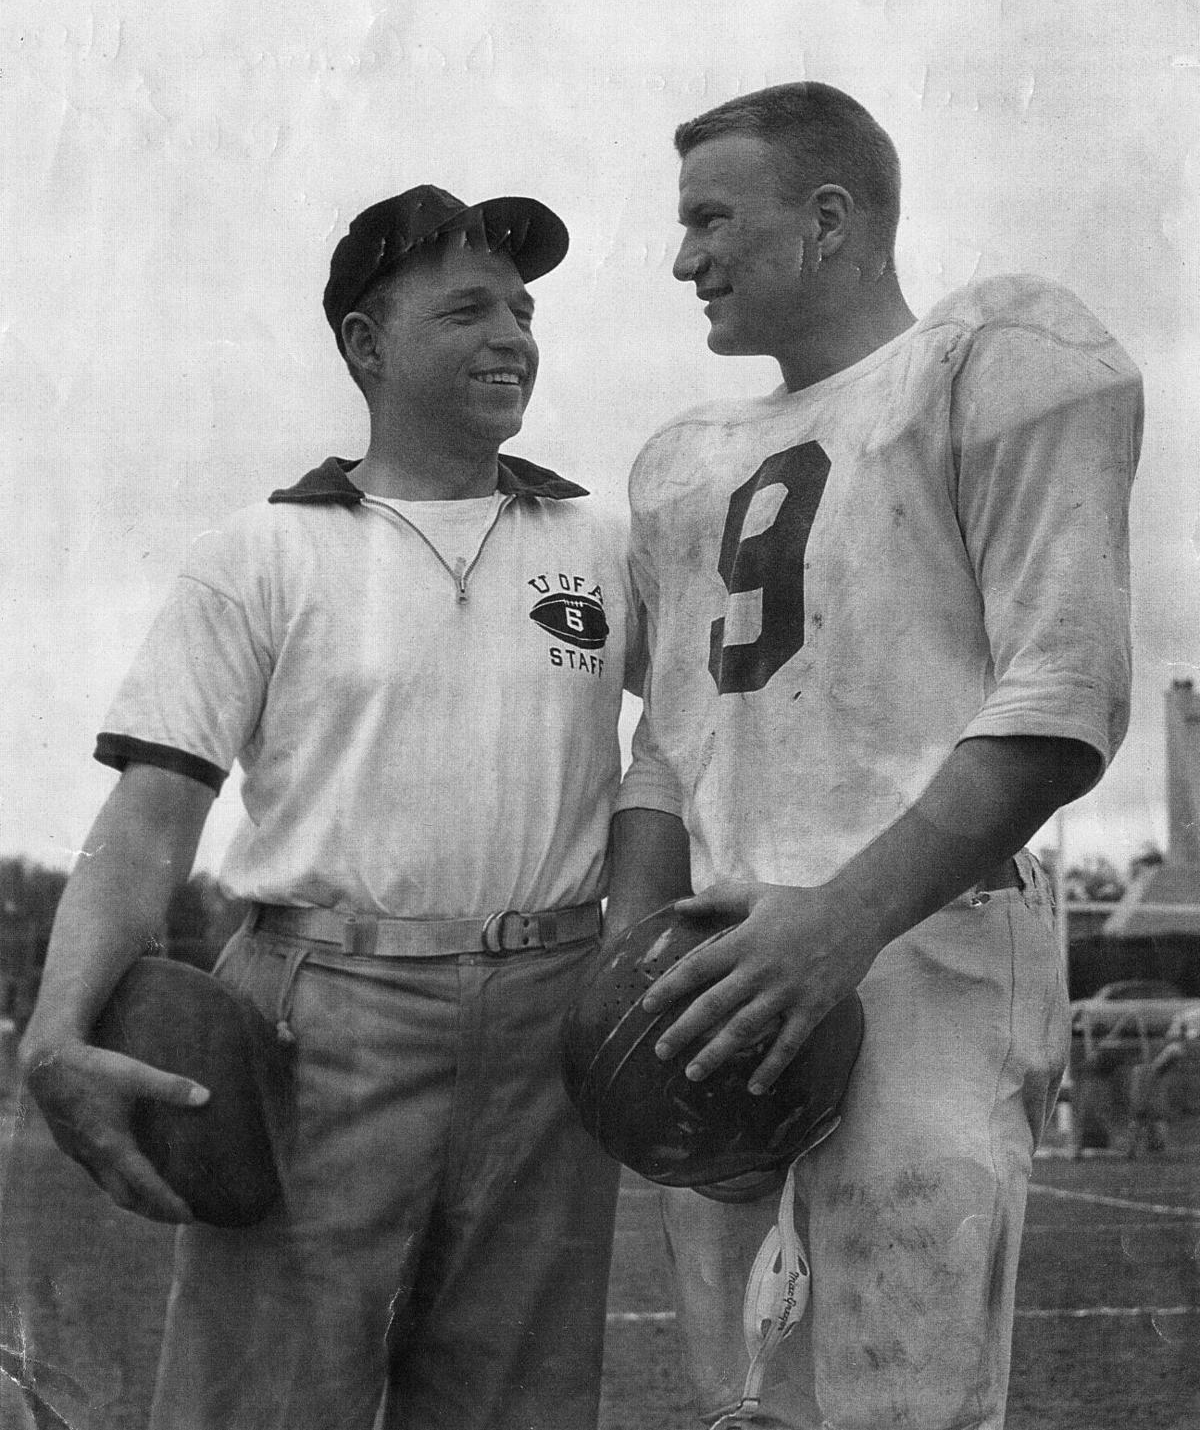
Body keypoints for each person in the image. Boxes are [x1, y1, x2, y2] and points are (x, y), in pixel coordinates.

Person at [19, 185, 636, 1430]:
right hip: (319, 1021)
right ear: (366, 345)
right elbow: (152, 814)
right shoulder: (263, 549)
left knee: (518, 1409)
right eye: (468, 308)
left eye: (523, 308)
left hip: (550, 1018)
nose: (513, 333)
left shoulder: (609, 542)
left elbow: (698, 752)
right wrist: (56, 1021)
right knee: (265, 1406)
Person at [606, 83, 1142, 1429]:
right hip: (723, 989)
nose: (683, 259)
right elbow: (666, 752)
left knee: (904, 1407)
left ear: (829, 219)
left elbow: (1065, 697)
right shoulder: (679, 468)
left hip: (921, 958)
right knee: (742, 1407)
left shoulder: (994, 357)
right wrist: (633, 973)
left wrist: (836, 925)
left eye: (711, 219)